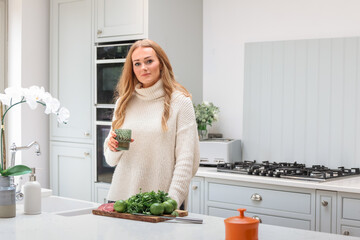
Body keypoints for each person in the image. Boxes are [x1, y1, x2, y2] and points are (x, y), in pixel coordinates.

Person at [104, 39, 200, 208]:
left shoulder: (180, 103)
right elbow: (112, 160)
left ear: (161, 64)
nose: (144, 68)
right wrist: (114, 146)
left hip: (160, 203)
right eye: (137, 64)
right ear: (132, 69)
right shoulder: (124, 102)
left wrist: (171, 202)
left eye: (149, 61)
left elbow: (186, 160)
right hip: (122, 200)